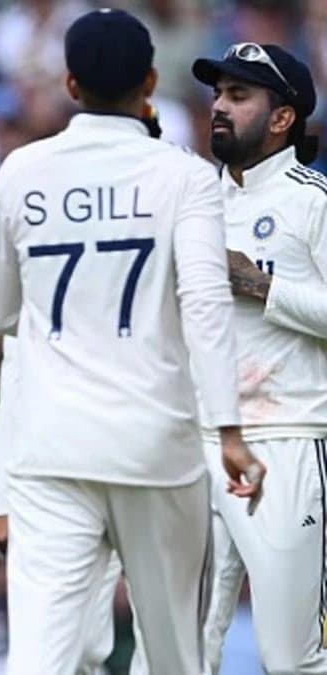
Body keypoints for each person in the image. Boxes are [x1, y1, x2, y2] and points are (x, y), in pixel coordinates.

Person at [0, 9, 264, 674]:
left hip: (51, 448)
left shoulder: (21, 169)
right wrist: (228, 429)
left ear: (71, 85)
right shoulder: (184, 175)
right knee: (175, 657)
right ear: (151, 83)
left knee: (39, 660)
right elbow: (206, 304)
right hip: (155, 446)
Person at [191, 43, 327, 674]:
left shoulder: (313, 200)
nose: (219, 107)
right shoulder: (194, 202)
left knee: (290, 659)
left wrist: (263, 287)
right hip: (199, 441)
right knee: (174, 654)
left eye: (238, 95)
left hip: (290, 437)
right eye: (218, 94)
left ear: (282, 118)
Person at [0, 336, 147, 674]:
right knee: (60, 638)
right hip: (55, 478)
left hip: (142, 464)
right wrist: (2, 502)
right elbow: (14, 369)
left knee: (152, 637)